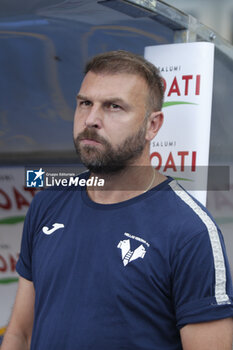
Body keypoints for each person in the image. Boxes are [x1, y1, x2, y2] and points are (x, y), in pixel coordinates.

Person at [2, 50, 233, 350]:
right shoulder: (48, 202)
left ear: (153, 125)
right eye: (85, 103)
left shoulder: (191, 232)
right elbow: (20, 333)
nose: (91, 119)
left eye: (113, 106)